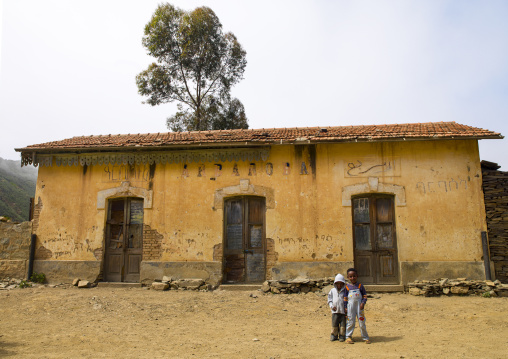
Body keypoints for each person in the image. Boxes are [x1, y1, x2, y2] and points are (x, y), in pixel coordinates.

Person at [344, 268, 371, 344]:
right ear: (348, 277)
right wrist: (345, 307)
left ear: (357, 276)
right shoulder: (347, 287)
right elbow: (345, 298)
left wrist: (363, 303)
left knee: (362, 321)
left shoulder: (360, 286)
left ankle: (365, 337)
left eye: (354, 276)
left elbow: (365, 296)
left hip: (359, 306)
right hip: (350, 307)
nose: (352, 278)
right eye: (350, 276)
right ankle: (348, 337)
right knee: (350, 321)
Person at [327, 273, 347, 342]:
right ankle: (334, 335)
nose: (339, 285)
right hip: (335, 311)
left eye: (341, 284)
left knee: (343, 325)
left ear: (343, 284)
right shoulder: (332, 291)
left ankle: (342, 336)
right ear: (335, 284)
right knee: (334, 324)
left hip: (343, 312)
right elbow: (329, 300)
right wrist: (332, 306)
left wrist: (346, 308)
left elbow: (348, 300)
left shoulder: (345, 291)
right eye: (337, 284)